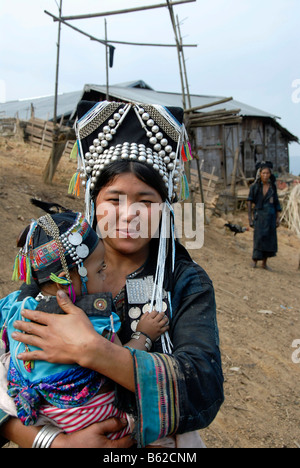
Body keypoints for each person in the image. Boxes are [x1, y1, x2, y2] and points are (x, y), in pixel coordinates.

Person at [0, 101, 224, 448]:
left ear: (165, 207)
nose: (128, 215)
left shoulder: (184, 281)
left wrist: (96, 352)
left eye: (146, 201)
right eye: (114, 199)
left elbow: (203, 389)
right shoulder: (62, 271)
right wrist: (53, 443)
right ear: (93, 201)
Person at [0, 211, 168, 445]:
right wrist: (145, 334)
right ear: (65, 278)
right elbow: (124, 358)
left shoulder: (16, 307)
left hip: (39, 417)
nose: (106, 273)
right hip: (90, 421)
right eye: (100, 269)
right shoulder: (94, 321)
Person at [248, 161, 282, 270]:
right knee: (258, 238)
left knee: (269, 239)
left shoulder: (272, 188)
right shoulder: (255, 187)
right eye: (263, 173)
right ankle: (255, 260)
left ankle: (264, 263)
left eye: (267, 173)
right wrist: (250, 218)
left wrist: (277, 218)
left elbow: (276, 203)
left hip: (270, 217)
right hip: (259, 216)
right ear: (260, 174)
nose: (265, 175)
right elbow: (249, 201)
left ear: (270, 174)